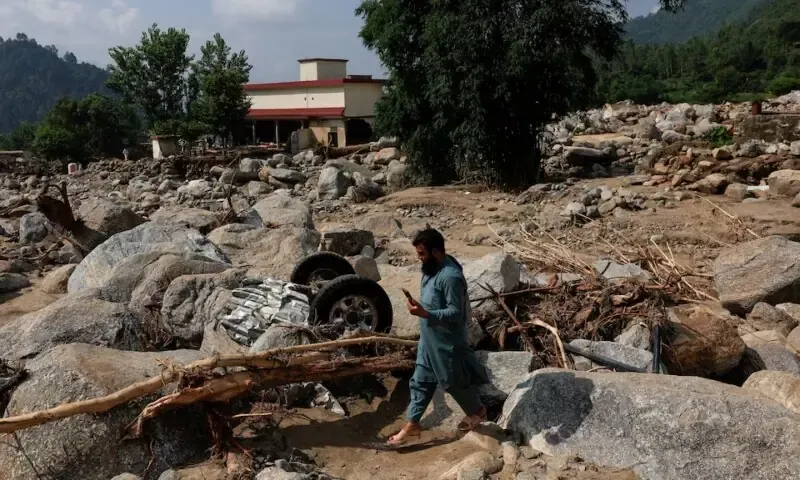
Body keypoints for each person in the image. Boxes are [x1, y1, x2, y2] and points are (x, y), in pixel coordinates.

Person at [388, 227, 489, 446]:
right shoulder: (430, 269)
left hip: (446, 342)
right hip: (428, 339)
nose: (419, 259)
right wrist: (420, 308)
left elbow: (455, 313)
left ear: (435, 252)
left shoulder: (450, 276)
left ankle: (478, 410)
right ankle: (413, 424)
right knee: (420, 381)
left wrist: (426, 313)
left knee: (453, 382)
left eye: (422, 254)